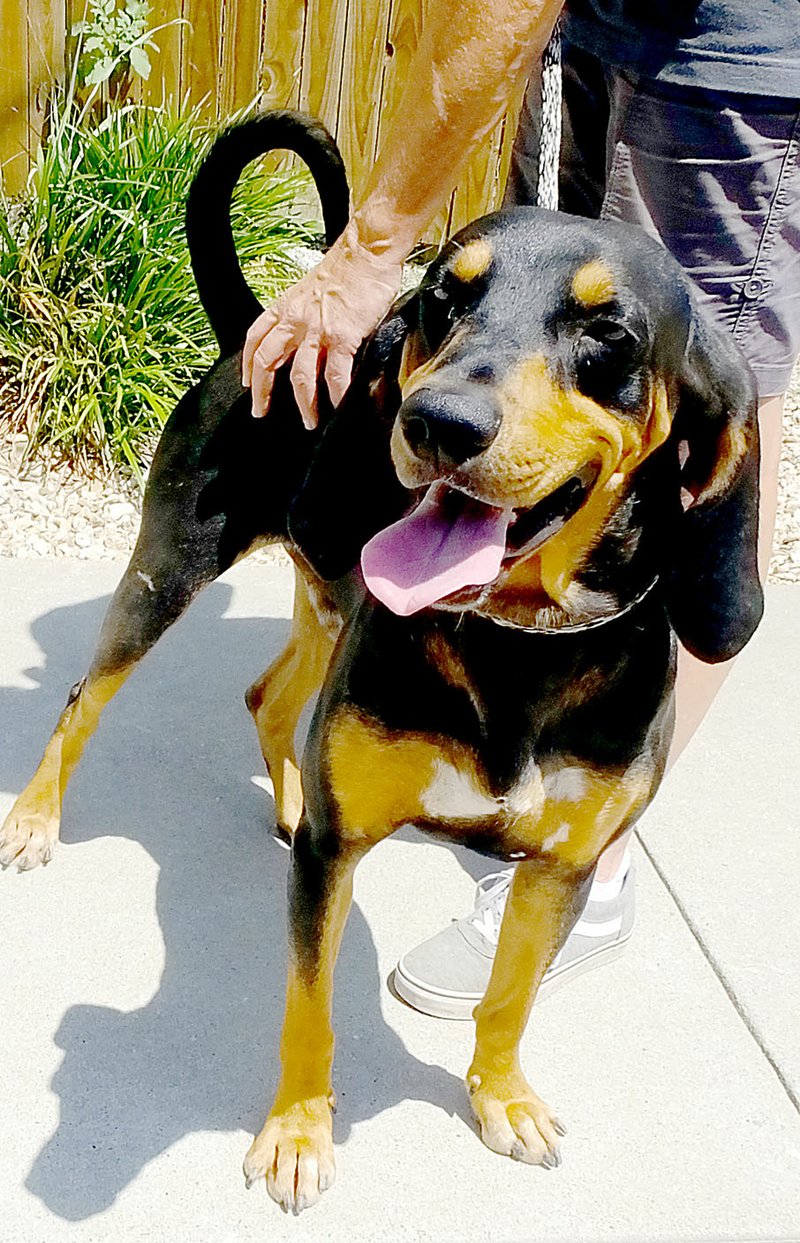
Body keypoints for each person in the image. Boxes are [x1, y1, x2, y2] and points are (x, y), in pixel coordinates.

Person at [242, 0, 800, 1019]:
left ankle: (596, 838)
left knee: (689, 372)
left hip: (738, 47)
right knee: (521, 331)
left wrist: (372, 247)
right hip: (597, 20)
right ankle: (495, 755)